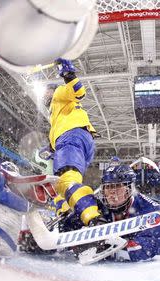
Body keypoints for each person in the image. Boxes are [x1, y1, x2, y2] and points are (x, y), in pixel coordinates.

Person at [90, 163, 160, 262]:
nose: (112, 192)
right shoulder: (97, 205)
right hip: (126, 234)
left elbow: (154, 245)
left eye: (117, 186)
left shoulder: (149, 208)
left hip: (157, 233)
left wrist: (119, 250)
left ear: (129, 189)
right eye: (108, 187)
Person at [44, 58, 104, 228]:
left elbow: (79, 92)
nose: (44, 94)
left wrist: (68, 74)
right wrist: (51, 148)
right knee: (56, 186)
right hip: (77, 139)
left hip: (71, 138)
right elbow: (58, 132)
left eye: (46, 91)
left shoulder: (59, 94)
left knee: (65, 181)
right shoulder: (58, 114)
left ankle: (93, 218)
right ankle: (67, 215)